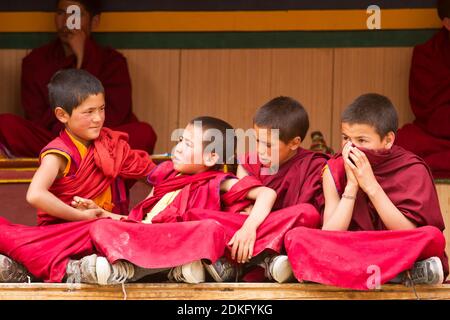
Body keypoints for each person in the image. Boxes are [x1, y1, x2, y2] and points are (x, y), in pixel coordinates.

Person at [0, 116, 278, 285]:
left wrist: (248, 228)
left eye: (188, 145)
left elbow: (267, 193)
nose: (178, 148)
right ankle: (42, 267)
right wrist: (101, 213)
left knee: (207, 229)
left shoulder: (218, 181)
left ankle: (42, 270)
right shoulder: (166, 177)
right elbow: (137, 222)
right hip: (135, 235)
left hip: (163, 240)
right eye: (181, 140)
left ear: (211, 159)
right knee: (92, 228)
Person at [0, 69, 155, 283]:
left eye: (102, 109)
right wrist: (81, 217)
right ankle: (77, 265)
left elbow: (156, 177)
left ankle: (50, 267)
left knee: (121, 229)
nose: (98, 118)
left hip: (110, 227)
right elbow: (35, 194)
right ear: (62, 115)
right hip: (70, 233)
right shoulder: (59, 152)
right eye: (88, 112)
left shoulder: (112, 145)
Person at [285, 93, 448, 290]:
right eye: (346, 138)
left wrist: (371, 186)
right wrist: (352, 186)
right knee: (298, 237)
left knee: (431, 237)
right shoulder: (334, 169)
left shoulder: (412, 169)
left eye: (362, 140)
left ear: (388, 140)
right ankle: (400, 273)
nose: (351, 147)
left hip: (392, 245)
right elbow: (330, 233)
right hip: (353, 246)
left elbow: (408, 231)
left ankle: (349, 273)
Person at [182, 97, 328, 283]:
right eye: (257, 140)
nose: (260, 150)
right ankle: (265, 261)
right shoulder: (247, 163)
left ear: (294, 143)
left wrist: (253, 224)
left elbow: (315, 222)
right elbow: (240, 207)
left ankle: (240, 262)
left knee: (308, 214)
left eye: (268, 145)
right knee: (196, 216)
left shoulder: (314, 165)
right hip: (245, 230)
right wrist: (249, 222)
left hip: (280, 231)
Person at [0, 0, 156, 157]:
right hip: (56, 140)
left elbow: (116, 116)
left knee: (144, 133)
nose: (68, 22)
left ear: (94, 22)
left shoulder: (112, 62)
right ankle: (86, 163)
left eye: (76, 14)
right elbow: (36, 118)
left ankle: (73, 161)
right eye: (62, 13)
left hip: (101, 141)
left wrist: (83, 58)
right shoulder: (35, 61)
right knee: (5, 124)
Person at [396, 0, 450, 179]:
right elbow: (425, 109)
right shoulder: (427, 53)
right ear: (446, 23)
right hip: (438, 134)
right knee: (402, 143)